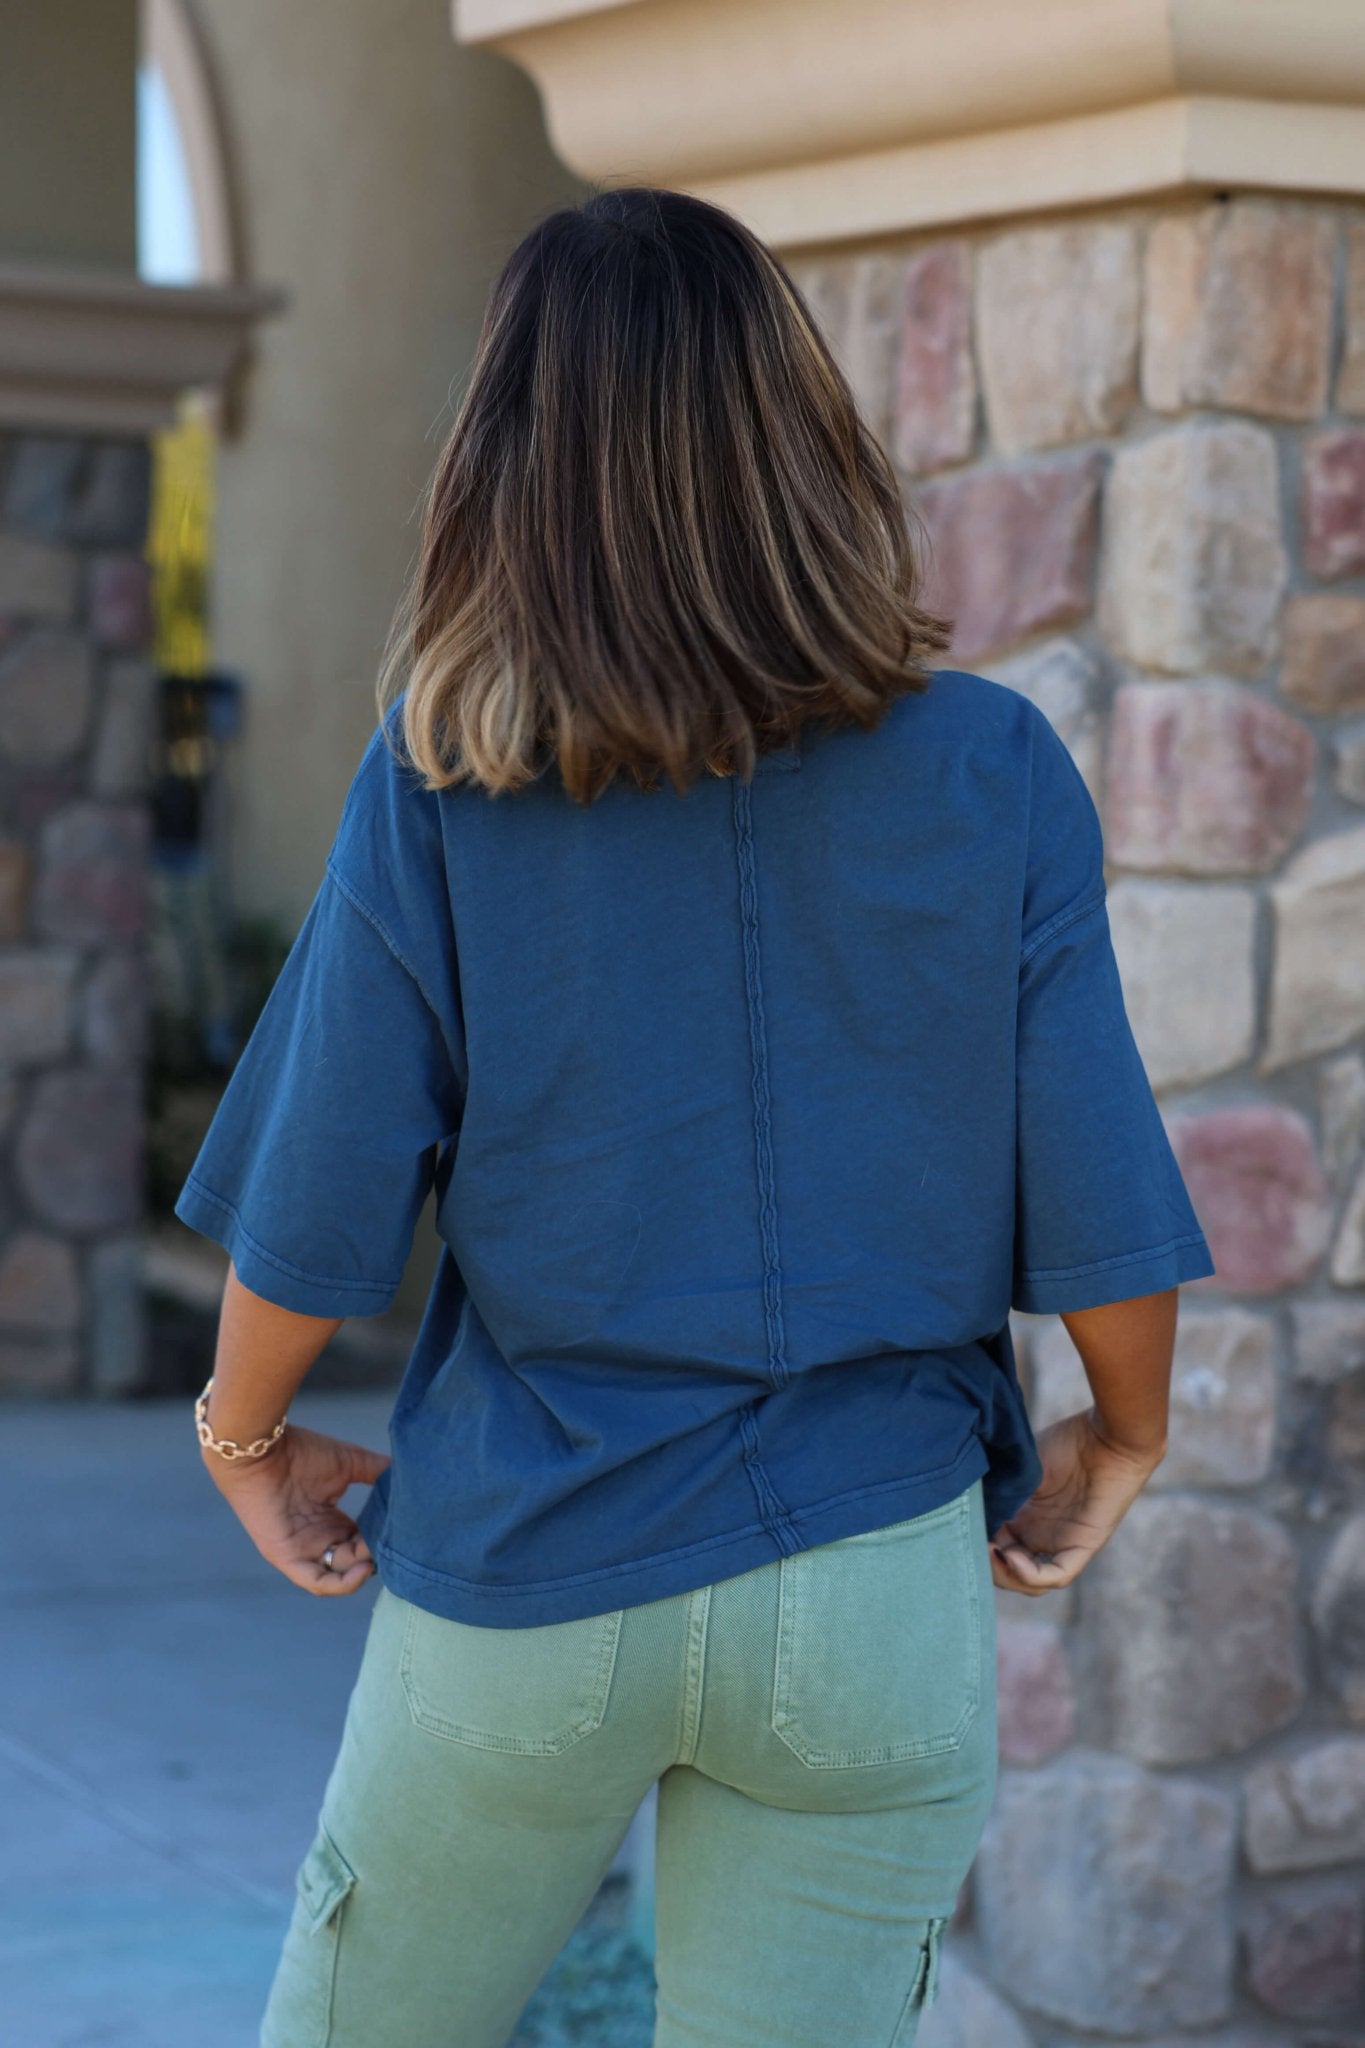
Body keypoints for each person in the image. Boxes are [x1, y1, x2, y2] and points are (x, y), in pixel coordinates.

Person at [175, 185, 1216, 2048]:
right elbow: (1101, 1200)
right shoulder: (994, 771)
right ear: (801, 436)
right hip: (872, 1582)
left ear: (508, 467)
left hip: (531, 1572)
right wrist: (1119, 1438)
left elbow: (321, 1193)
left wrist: (245, 1436)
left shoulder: (446, 772)